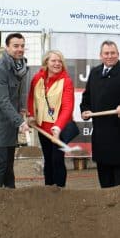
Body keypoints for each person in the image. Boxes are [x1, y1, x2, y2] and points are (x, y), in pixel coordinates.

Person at [81, 41, 120, 188]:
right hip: (100, 131)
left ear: (118, 54)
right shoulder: (94, 72)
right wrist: (84, 110)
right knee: (104, 173)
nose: (110, 56)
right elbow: (86, 96)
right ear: (101, 56)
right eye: (106, 53)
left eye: (113, 53)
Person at [0, 33, 31, 188]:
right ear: (7, 47)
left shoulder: (21, 67)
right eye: (16, 46)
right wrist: (20, 122)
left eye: (22, 46)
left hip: (11, 121)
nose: (20, 49)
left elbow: (20, 92)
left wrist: (23, 109)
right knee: (1, 160)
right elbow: (3, 100)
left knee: (9, 160)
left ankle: (10, 192)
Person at [27, 50, 75, 187]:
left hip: (59, 129)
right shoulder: (37, 78)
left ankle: (59, 190)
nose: (57, 63)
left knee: (57, 159)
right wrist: (31, 115)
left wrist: (58, 127)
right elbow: (31, 98)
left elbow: (67, 107)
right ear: (46, 62)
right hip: (43, 128)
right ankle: (48, 189)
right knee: (48, 159)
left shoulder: (66, 81)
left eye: (60, 61)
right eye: (53, 60)